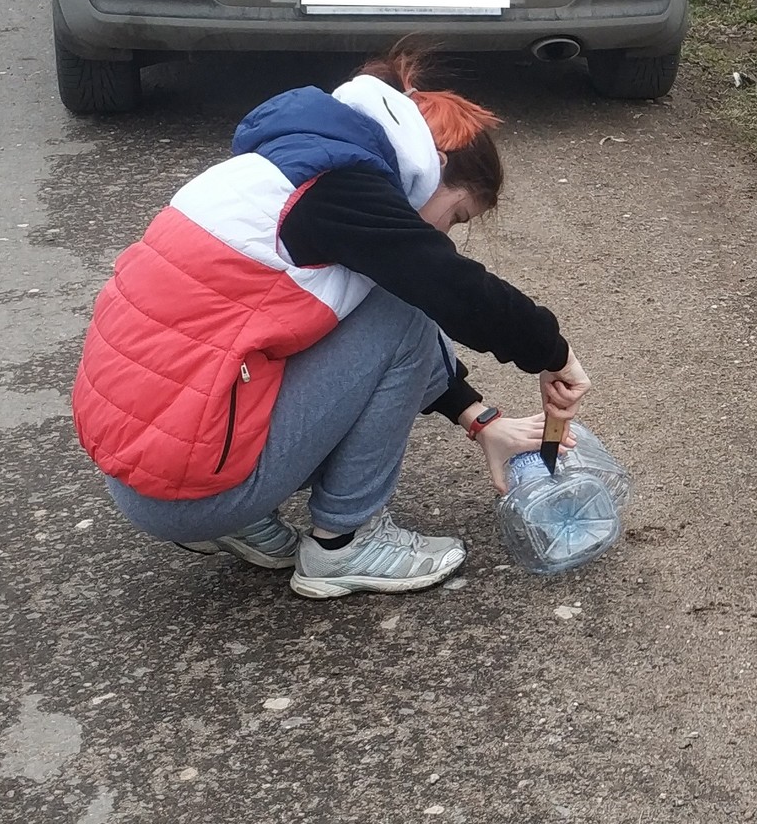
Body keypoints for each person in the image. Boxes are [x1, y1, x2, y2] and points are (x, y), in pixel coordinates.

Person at [71, 47, 590, 598]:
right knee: (403, 308)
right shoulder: (338, 188)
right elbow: (451, 292)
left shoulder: (290, 165)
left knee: (379, 305)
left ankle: (237, 521)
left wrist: (479, 420)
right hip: (188, 489)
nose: (445, 237)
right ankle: (346, 544)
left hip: (145, 470)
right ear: (434, 165)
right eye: (456, 216)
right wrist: (553, 353)